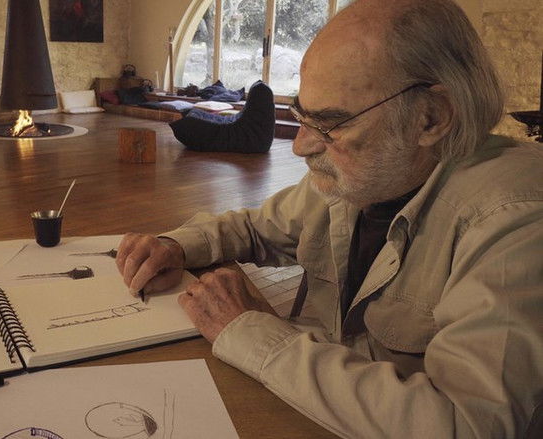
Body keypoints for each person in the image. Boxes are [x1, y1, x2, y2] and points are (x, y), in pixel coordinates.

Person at [115, 0, 543, 437]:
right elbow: (255, 228)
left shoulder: (517, 220)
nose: (300, 146)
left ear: (431, 117)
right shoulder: (364, 176)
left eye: (330, 124)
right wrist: (174, 245)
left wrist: (249, 331)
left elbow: (467, 425)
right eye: (301, 115)